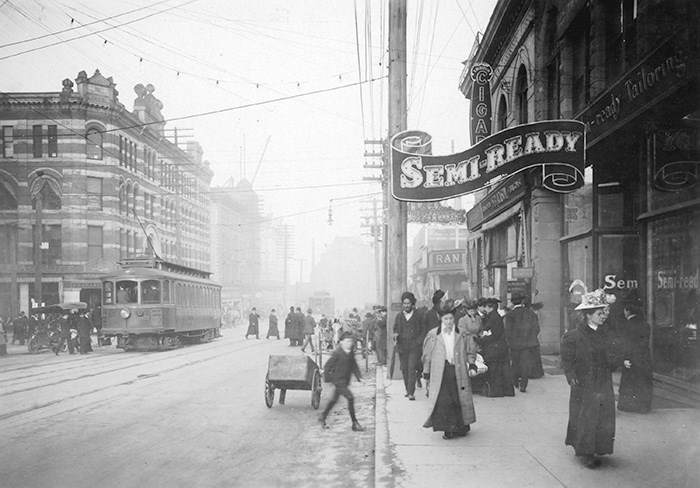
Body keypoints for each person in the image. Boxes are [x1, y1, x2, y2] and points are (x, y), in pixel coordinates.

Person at [561, 289, 623, 469]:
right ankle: (586, 451)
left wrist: (615, 359)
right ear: (588, 315)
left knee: (603, 415)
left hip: (602, 380)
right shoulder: (574, 336)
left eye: (604, 313)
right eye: (599, 313)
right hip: (584, 382)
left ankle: (599, 447)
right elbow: (567, 359)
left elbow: (613, 355)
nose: (603, 316)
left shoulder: (606, 334)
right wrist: (571, 376)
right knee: (585, 416)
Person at [422, 305, 478, 439]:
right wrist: (426, 371)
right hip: (440, 371)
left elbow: (471, 349)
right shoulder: (433, 335)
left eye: (451, 319)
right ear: (441, 319)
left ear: (454, 319)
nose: (448, 322)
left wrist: (471, 364)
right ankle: (448, 428)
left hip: (458, 370)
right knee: (444, 400)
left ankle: (461, 426)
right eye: (445, 319)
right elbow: (427, 355)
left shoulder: (462, 333)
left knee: (458, 397)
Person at [319, 331, 364, 431]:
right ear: (341, 342)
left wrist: (359, 377)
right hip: (339, 381)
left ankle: (323, 416)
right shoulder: (337, 353)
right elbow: (327, 366)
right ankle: (354, 423)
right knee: (350, 398)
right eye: (347, 341)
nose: (350, 343)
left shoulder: (350, 351)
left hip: (345, 380)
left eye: (351, 341)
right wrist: (330, 380)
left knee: (334, 400)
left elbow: (354, 365)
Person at [616, 297, 652, 413]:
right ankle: (643, 406)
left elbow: (626, 344)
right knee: (642, 382)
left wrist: (624, 359)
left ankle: (629, 405)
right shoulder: (645, 325)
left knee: (630, 382)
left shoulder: (627, 325)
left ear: (627, 311)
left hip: (631, 359)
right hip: (643, 358)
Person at [477, 297, 514, 397]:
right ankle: (504, 391)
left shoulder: (493, 317)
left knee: (495, 370)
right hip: (498, 347)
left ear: (490, 307)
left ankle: (496, 392)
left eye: (486, 307)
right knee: (501, 370)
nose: (484, 309)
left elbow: (495, 334)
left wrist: (482, 339)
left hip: (495, 347)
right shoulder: (494, 316)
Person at [504, 292, 541, 393]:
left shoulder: (510, 315)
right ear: (522, 301)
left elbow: (507, 331)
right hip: (528, 344)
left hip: (514, 344)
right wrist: (530, 338)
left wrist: (511, 341)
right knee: (525, 364)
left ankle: (515, 382)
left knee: (515, 363)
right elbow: (536, 329)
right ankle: (523, 385)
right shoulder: (531, 313)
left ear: (512, 302)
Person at [393, 291, 424, 401]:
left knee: (412, 368)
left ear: (412, 304)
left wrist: (418, 342)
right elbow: (395, 328)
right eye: (404, 303)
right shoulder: (399, 316)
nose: (406, 305)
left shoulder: (419, 315)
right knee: (404, 369)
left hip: (414, 347)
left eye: (408, 303)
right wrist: (395, 335)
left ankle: (411, 392)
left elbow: (423, 331)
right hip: (402, 346)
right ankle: (407, 389)